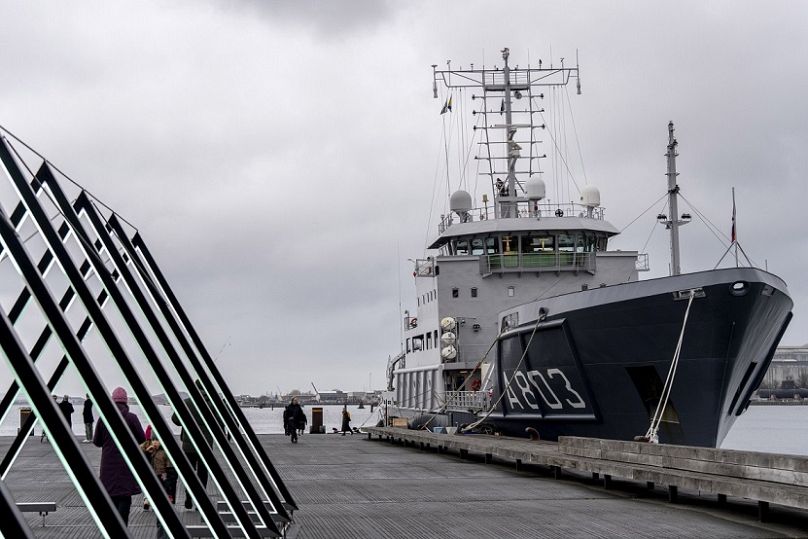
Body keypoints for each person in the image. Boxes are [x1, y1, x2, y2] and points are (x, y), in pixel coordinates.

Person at [93, 387, 145, 526]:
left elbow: (96, 442)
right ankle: (123, 527)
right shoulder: (132, 418)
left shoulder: (103, 418)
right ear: (125, 401)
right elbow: (142, 439)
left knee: (111, 498)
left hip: (108, 466)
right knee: (125, 497)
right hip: (126, 465)